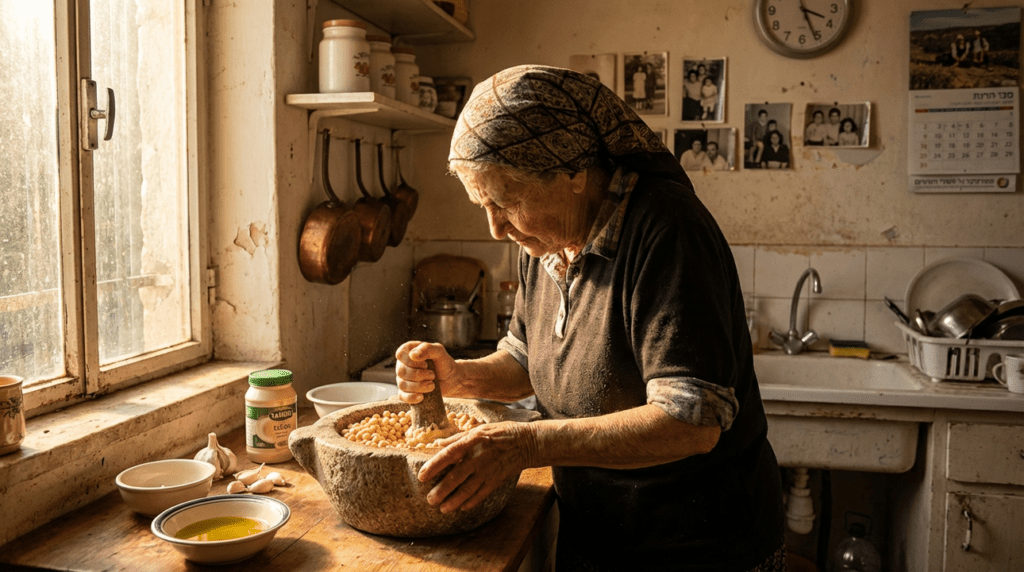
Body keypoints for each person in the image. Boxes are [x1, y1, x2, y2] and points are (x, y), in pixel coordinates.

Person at [395, 65, 785, 572]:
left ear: (574, 173)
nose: (495, 227)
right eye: (482, 204)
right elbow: (525, 358)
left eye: (507, 200)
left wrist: (523, 444)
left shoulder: (669, 233)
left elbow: (690, 423)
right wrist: (461, 376)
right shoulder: (543, 243)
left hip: (697, 549)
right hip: (600, 536)